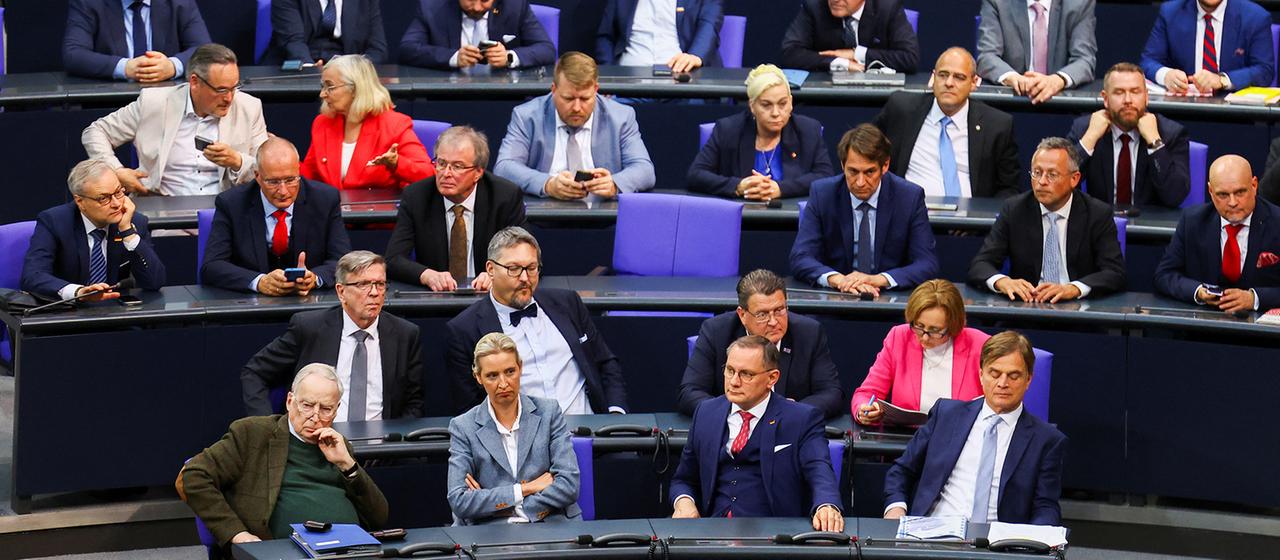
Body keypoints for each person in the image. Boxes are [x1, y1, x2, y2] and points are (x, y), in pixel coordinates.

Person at [178, 364, 389, 552]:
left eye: (325, 409)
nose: (315, 416)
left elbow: (378, 517)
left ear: (336, 411)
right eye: (307, 405)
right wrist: (237, 534)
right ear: (290, 401)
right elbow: (194, 476)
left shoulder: (338, 444)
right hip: (283, 552)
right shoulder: (254, 433)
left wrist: (348, 465)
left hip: (348, 551)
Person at [883, 331, 1067, 525]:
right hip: (933, 532)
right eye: (994, 374)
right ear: (981, 374)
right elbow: (902, 470)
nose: (1002, 383)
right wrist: (896, 508)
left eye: (1013, 376)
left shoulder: (1047, 440)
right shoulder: (946, 415)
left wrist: (1035, 540)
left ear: (1028, 380)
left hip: (999, 543)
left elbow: (1046, 506)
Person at [446, 227, 629, 414]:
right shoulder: (464, 330)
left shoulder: (568, 303)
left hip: (587, 430)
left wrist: (615, 414)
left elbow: (606, 363)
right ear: (490, 270)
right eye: (514, 269)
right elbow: (470, 410)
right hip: (523, 438)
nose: (525, 278)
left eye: (532, 268)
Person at [670, 335, 844, 531]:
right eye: (729, 371)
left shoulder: (801, 419)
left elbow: (818, 469)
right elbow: (683, 479)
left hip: (774, 536)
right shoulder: (706, 412)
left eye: (746, 374)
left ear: (772, 378)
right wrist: (684, 502)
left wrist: (826, 505)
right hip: (712, 532)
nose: (734, 381)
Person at [241, 251, 425, 420]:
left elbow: (413, 402)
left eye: (380, 284)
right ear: (341, 291)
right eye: (363, 284)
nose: (375, 293)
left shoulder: (405, 334)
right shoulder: (310, 328)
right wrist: (267, 427)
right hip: (316, 446)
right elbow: (254, 372)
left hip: (382, 449)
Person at [81, 43, 269, 196]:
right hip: (163, 212)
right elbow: (95, 132)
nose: (229, 97)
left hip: (225, 213)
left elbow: (267, 169)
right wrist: (117, 171)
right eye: (221, 90)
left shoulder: (249, 108)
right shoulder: (154, 103)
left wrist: (237, 161)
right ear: (195, 82)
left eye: (234, 87)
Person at [968, 137, 1126, 302]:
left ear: (1074, 179)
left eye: (1052, 175)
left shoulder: (1097, 214)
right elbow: (980, 264)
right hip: (1026, 309)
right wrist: (1003, 281)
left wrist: (1073, 288)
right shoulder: (1015, 210)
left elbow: (1115, 272)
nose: (1041, 182)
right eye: (1037, 173)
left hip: (1079, 311)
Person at [448, 332, 581, 525]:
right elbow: (459, 501)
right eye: (492, 376)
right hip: (490, 534)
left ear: (520, 367)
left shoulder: (549, 412)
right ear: (478, 377)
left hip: (550, 523)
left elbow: (568, 485)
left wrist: (511, 507)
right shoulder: (463, 426)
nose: (503, 383)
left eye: (510, 372)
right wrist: (524, 490)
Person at [789, 123, 939, 295]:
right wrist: (838, 280)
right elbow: (800, 257)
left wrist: (877, 279)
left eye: (869, 172)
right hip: (837, 298)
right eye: (853, 171)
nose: (860, 182)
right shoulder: (823, 194)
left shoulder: (909, 197)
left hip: (891, 301)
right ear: (842, 165)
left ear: (885, 166)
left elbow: (927, 263)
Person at [679, 269, 843, 418]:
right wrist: (736, 412)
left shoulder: (809, 333)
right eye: (762, 314)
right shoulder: (717, 331)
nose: (773, 321)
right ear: (742, 315)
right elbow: (690, 393)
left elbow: (832, 394)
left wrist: (794, 411)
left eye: (779, 310)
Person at [494, 52, 656, 200]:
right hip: (544, 217)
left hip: (603, 219)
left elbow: (644, 170)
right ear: (553, 90)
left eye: (585, 99)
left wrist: (614, 183)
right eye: (568, 98)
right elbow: (504, 167)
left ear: (596, 90)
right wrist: (548, 184)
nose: (577, 107)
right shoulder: (527, 116)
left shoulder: (621, 117)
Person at [201, 137, 352, 295]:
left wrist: (314, 278)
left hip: (310, 305)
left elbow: (343, 261)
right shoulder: (232, 204)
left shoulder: (325, 199)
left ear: (299, 172)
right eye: (273, 182)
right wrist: (259, 282)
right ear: (257, 176)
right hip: (252, 307)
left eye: (290, 180)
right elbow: (212, 266)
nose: (283, 191)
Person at [385, 126, 528, 292]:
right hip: (436, 301)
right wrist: (427, 275)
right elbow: (393, 259)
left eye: (457, 166)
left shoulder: (504, 197)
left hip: (490, 298)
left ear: (478, 172)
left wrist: (496, 273)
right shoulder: (417, 197)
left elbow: (526, 256)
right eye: (441, 163)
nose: (446, 173)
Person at [873, 47, 1021, 199]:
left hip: (971, 218)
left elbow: (1008, 189)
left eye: (959, 77)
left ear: (974, 82)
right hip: (909, 216)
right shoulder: (902, 109)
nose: (949, 83)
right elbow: (868, 154)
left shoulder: (997, 125)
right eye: (942, 75)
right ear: (933, 77)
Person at [22, 159, 166, 301]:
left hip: (117, 316)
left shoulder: (133, 221)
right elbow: (33, 276)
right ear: (80, 202)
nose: (116, 204)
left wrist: (128, 233)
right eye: (103, 198)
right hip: (68, 314)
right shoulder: (55, 222)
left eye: (118, 192)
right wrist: (78, 292)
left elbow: (154, 282)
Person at [852, 279, 990, 424]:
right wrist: (863, 409)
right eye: (919, 326)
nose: (924, 337)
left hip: (962, 441)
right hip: (908, 439)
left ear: (953, 325)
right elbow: (866, 393)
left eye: (935, 330)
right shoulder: (899, 337)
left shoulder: (980, 344)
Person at [687, 64, 833, 200]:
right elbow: (696, 175)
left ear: (791, 102)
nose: (776, 113)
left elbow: (825, 176)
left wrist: (781, 189)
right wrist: (738, 186)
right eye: (766, 105)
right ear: (752, 106)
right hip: (741, 219)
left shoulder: (807, 129)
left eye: (783, 104)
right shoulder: (728, 129)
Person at [1155, 155, 1280, 313]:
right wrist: (1198, 292)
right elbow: (1164, 275)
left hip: (1261, 332)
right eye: (1223, 195)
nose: (1233, 202)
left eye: (1240, 192)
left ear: (1254, 185)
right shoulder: (1193, 221)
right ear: (1210, 191)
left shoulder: (1277, 222)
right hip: (1204, 330)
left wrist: (1254, 298)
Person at [300, 55, 434, 190]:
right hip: (332, 210)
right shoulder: (323, 123)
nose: (322, 94)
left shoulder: (394, 124)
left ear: (355, 88)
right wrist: (283, 160)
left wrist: (397, 163)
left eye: (330, 87)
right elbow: (310, 176)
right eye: (323, 86)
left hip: (375, 210)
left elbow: (428, 174)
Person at [1067, 62, 1190, 209]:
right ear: (1105, 99)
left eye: (1135, 92)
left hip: (1150, 226)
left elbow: (1175, 196)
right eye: (1119, 92)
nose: (1128, 100)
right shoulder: (1085, 129)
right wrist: (1089, 139)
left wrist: (1155, 143)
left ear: (1146, 97)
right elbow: (1060, 185)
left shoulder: (1170, 133)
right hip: (1099, 226)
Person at [1140, 0, 1275, 94]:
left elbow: (1264, 70)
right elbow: (1147, 61)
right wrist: (1166, 75)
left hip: (1237, 116)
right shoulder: (1170, 12)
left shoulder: (1255, 17)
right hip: (1183, 111)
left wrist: (1222, 80)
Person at [976, 0, 1096, 104]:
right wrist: (1013, 78)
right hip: (1012, 103)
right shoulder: (998, 2)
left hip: (1062, 105)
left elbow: (1084, 60)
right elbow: (987, 56)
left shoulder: (1079, 3)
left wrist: (1056, 80)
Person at [62, 0, 211, 82]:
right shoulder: (89, 3)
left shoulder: (180, 3)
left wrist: (172, 66)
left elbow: (205, 50)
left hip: (169, 102)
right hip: (110, 105)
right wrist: (126, 68)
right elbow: (74, 54)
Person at [399, 0, 556, 70]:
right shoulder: (432, 7)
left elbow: (547, 49)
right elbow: (407, 49)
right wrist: (453, 57)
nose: (477, 7)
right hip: (446, 96)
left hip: (503, 98)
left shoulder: (515, 5)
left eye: (485, 0)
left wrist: (508, 57)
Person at [780, 0, 920, 73]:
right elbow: (790, 53)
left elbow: (909, 57)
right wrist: (839, 62)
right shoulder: (815, 7)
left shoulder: (887, 7)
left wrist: (856, 54)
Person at [595, 0, 723, 72]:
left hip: (683, 77)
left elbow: (709, 25)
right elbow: (605, 36)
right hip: (630, 79)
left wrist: (695, 56)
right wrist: (608, 74)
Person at [266, 0, 388, 65]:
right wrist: (311, 70)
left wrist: (355, 69)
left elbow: (377, 49)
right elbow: (293, 41)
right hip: (301, 66)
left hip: (348, 68)